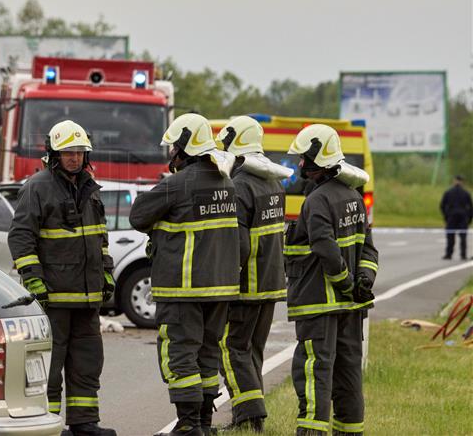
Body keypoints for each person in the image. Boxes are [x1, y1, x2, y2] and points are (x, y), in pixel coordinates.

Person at [129, 113, 240, 436]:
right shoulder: (227, 183)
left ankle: (189, 423)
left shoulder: (177, 185)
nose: (170, 155)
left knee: (178, 351)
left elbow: (138, 215)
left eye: (173, 148)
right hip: (220, 289)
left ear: (185, 147)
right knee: (207, 351)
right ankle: (204, 422)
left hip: (183, 288)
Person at [8, 120, 116, 436]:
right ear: (54, 153)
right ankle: (48, 426)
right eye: (68, 152)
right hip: (53, 298)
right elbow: (21, 237)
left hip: (87, 298)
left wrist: (106, 273)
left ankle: (84, 424)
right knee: (49, 368)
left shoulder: (90, 189)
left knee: (87, 364)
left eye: (80, 152)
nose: (75, 158)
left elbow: (100, 237)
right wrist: (34, 280)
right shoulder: (37, 187)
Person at [284, 124, 379, 436]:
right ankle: (350, 432)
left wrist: (346, 283)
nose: (299, 165)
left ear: (317, 159)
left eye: (303, 158)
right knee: (348, 373)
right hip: (351, 307)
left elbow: (326, 248)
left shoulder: (317, 201)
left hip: (319, 303)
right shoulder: (353, 196)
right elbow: (368, 247)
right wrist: (363, 280)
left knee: (315, 370)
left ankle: (311, 431)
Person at [214, 116, 293, 433]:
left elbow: (240, 245)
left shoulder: (240, 184)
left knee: (232, 349)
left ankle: (249, 417)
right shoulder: (271, 181)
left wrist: (226, 284)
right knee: (251, 352)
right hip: (271, 283)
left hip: (246, 286)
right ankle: (247, 415)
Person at [440, 175, 472, 260]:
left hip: (452, 216)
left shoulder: (448, 192)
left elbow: (442, 206)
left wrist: (446, 216)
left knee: (450, 235)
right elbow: (470, 207)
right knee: (463, 236)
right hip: (463, 216)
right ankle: (463, 254)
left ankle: (449, 254)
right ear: (462, 182)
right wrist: (469, 218)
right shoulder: (466, 193)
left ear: (454, 181)